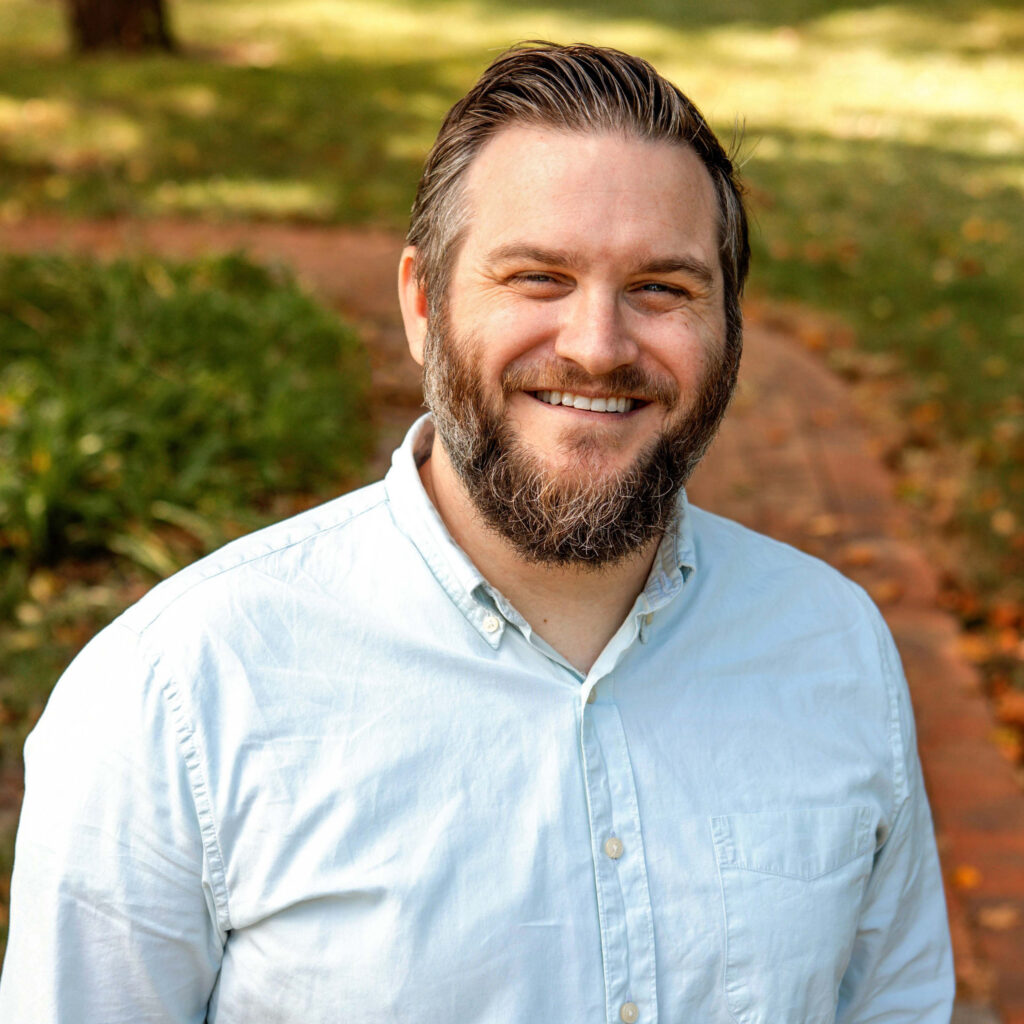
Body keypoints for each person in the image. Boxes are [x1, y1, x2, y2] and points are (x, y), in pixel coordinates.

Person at [1, 42, 953, 1023]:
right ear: (422, 304)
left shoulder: (831, 648)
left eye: (663, 288)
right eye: (537, 277)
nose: (596, 345)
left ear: (728, 328)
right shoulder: (181, 696)